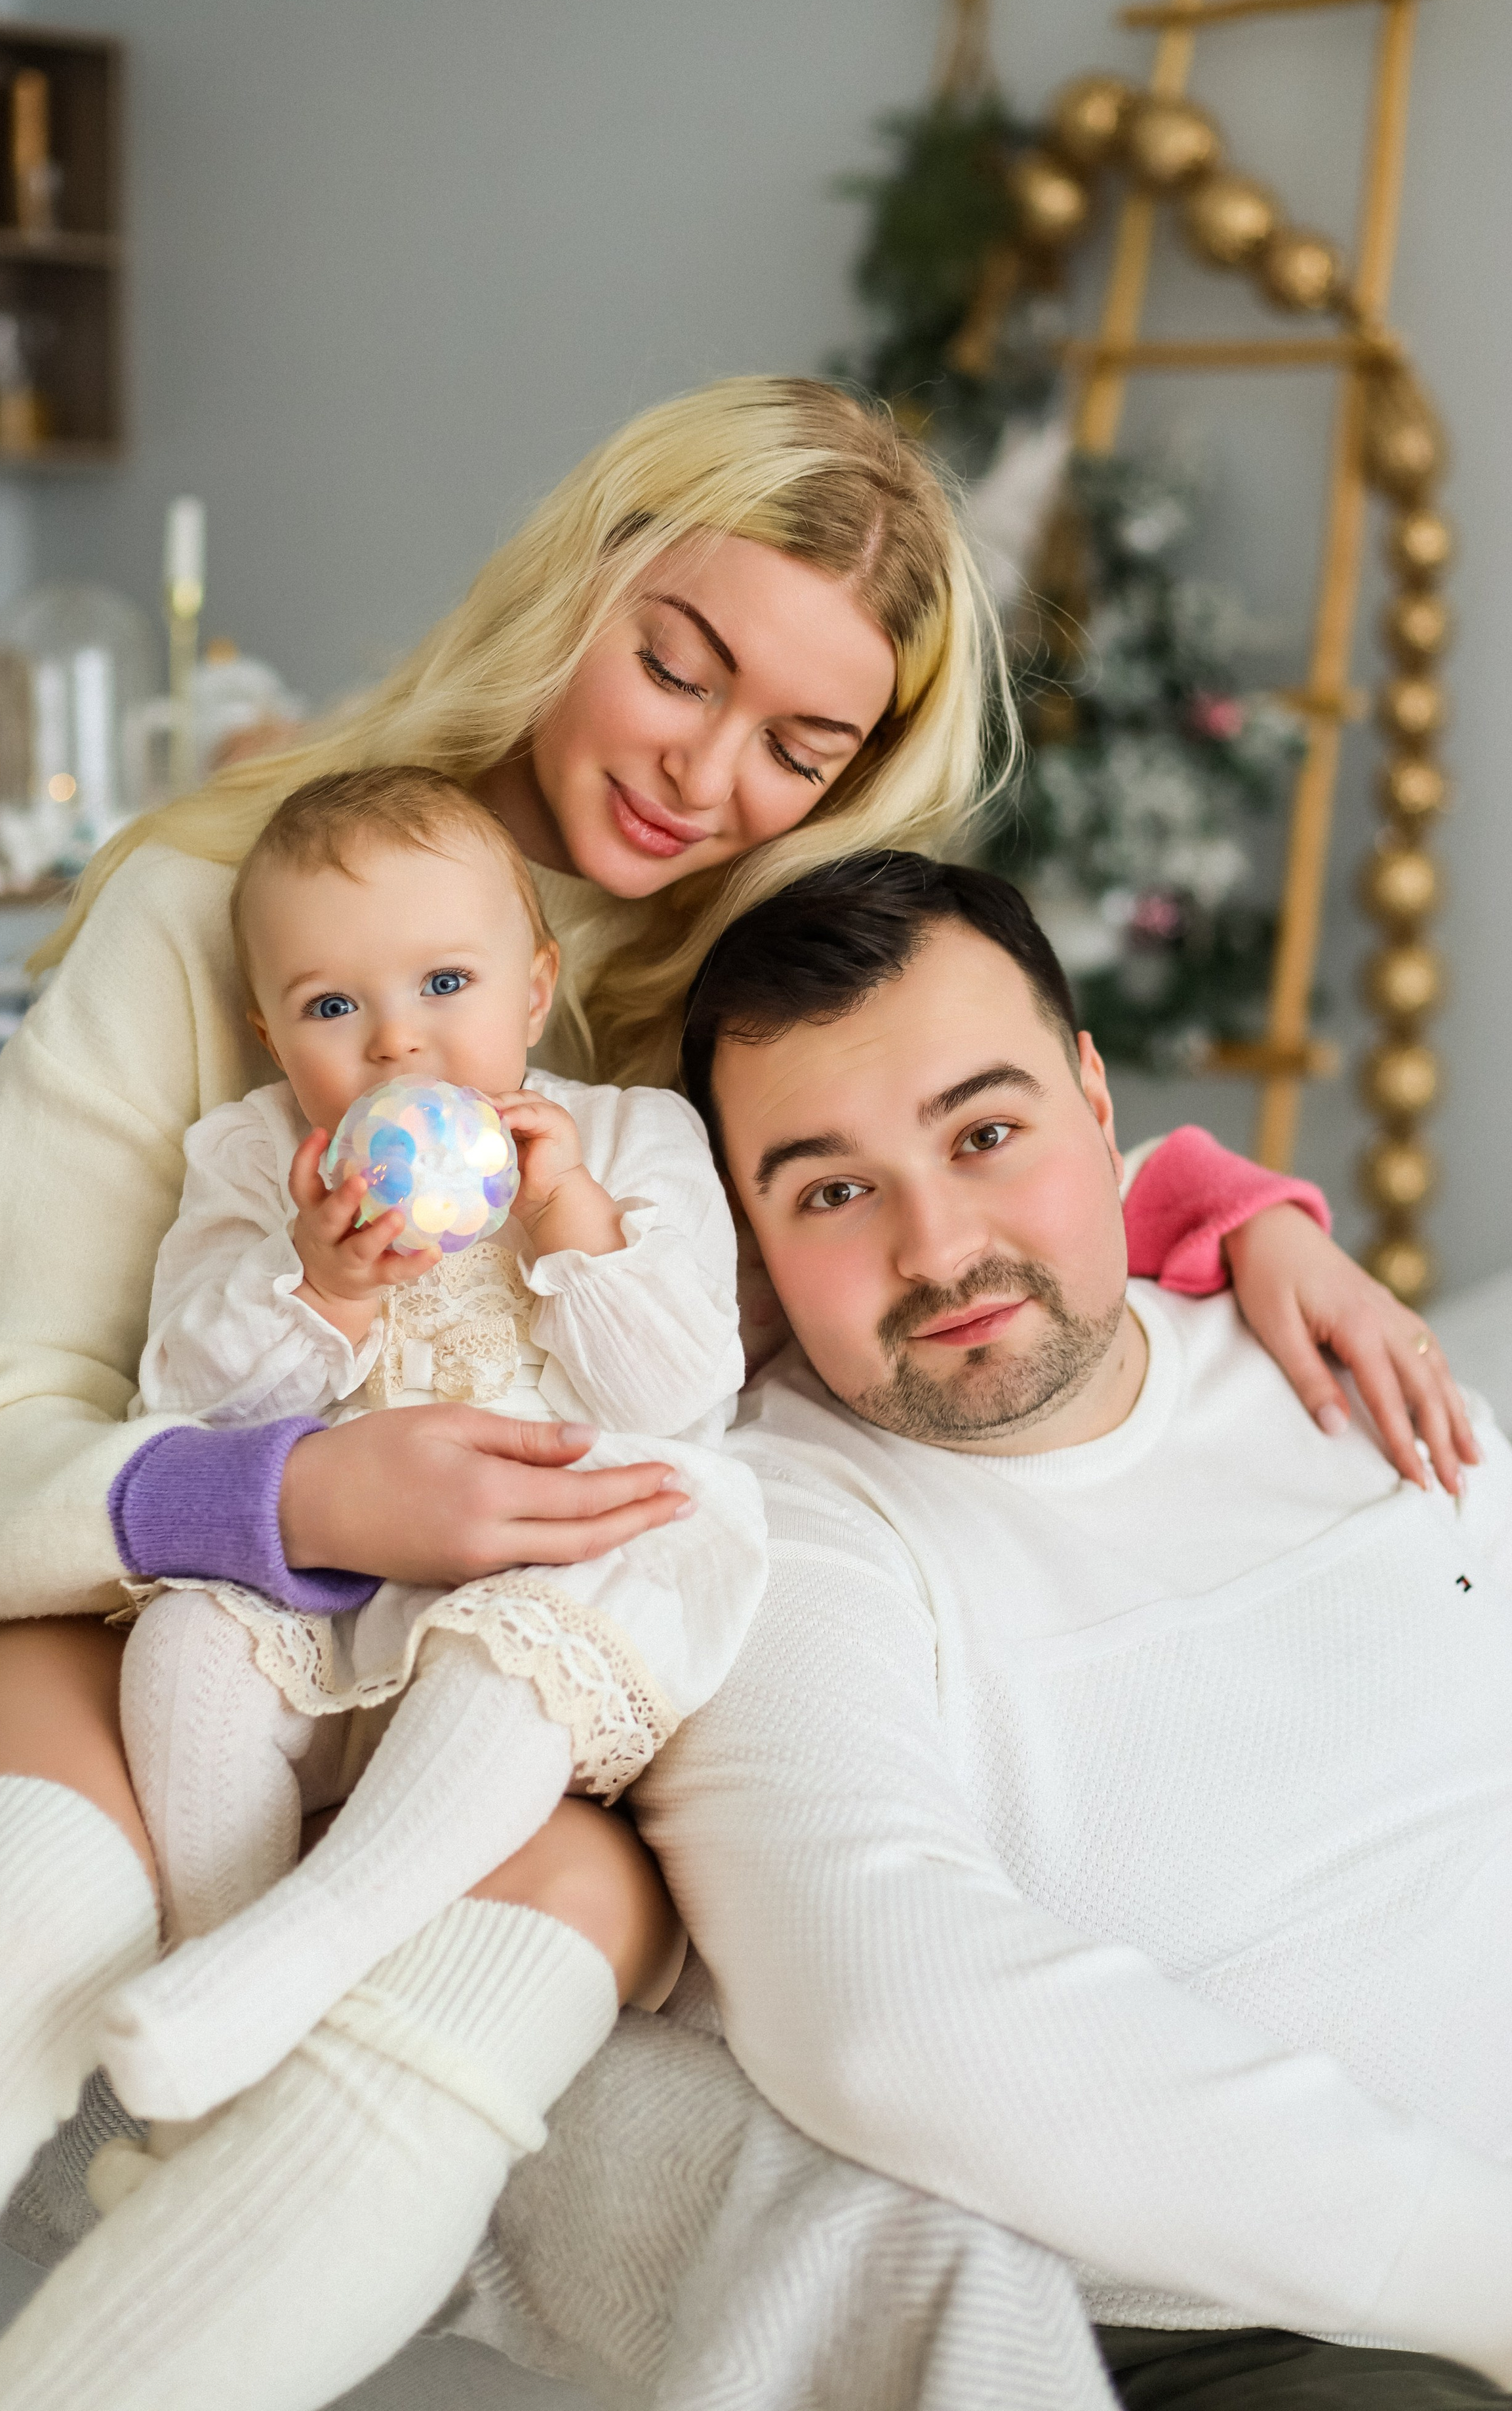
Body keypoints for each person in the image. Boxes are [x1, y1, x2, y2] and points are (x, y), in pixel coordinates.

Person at [0, 378, 1458, 2411]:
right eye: (679, 669)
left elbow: (941, 1182)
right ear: (578, 590)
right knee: (32, 1899)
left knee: (531, 1959)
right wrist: (301, 1497)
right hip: (129, 1597)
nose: (709, 772)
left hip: (498, 1662)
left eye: (802, 744)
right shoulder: (224, 909)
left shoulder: (734, 977)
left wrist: (1233, 1214)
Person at [631, 850, 1512, 2406]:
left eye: (984, 1134)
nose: (934, 1247)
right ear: (750, 1239)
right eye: (831, 1191)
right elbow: (884, 2010)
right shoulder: (776, 1536)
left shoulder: (1336, 1364)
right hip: (1275, 2339)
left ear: (1097, 1108)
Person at [102, 761, 763, 2138]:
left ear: (534, 989)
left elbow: (681, 1392)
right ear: (270, 1032)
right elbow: (186, 1401)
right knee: (182, 1648)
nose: (398, 1044)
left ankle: (300, 1952)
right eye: (332, 1007)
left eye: (446, 985)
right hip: (338, 1594)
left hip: (562, 1570)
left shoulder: (632, 1138)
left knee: (526, 1633)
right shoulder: (255, 1162)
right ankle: (215, 2009)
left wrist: (566, 1213)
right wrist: (322, 1284)